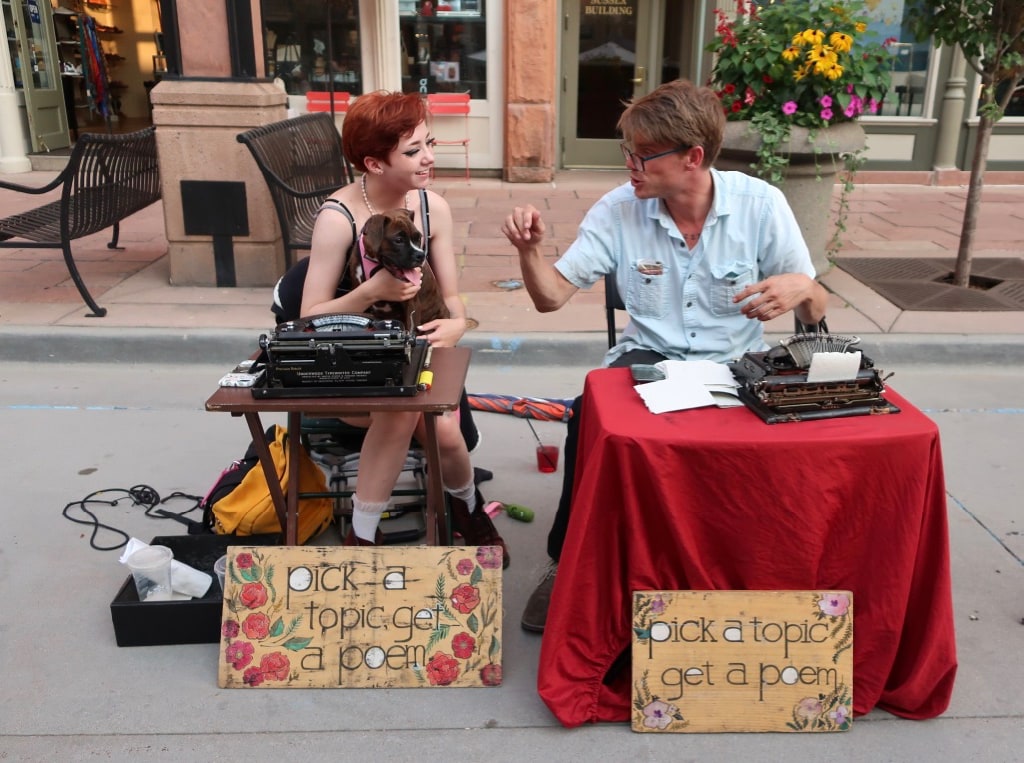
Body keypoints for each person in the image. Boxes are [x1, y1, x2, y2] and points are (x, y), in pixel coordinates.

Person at [502, 79, 827, 630]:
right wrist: (529, 253)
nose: (629, 166)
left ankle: (765, 568)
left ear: (693, 158)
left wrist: (802, 289)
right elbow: (552, 298)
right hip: (648, 359)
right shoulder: (619, 209)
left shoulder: (760, 206)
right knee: (587, 417)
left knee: (790, 438)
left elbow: (816, 311)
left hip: (736, 365)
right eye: (626, 152)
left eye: (642, 155)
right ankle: (566, 560)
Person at [283, 90, 509, 564]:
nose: (428, 157)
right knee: (405, 412)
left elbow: (450, 296)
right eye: (413, 151)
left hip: (419, 350)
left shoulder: (432, 208)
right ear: (374, 162)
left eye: (429, 143)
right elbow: (307, 317)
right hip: (356, 365)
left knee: (443, 432)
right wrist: (369, 293)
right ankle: (366, 539)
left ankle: (464, 511)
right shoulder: (339, 217)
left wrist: (457, 324)